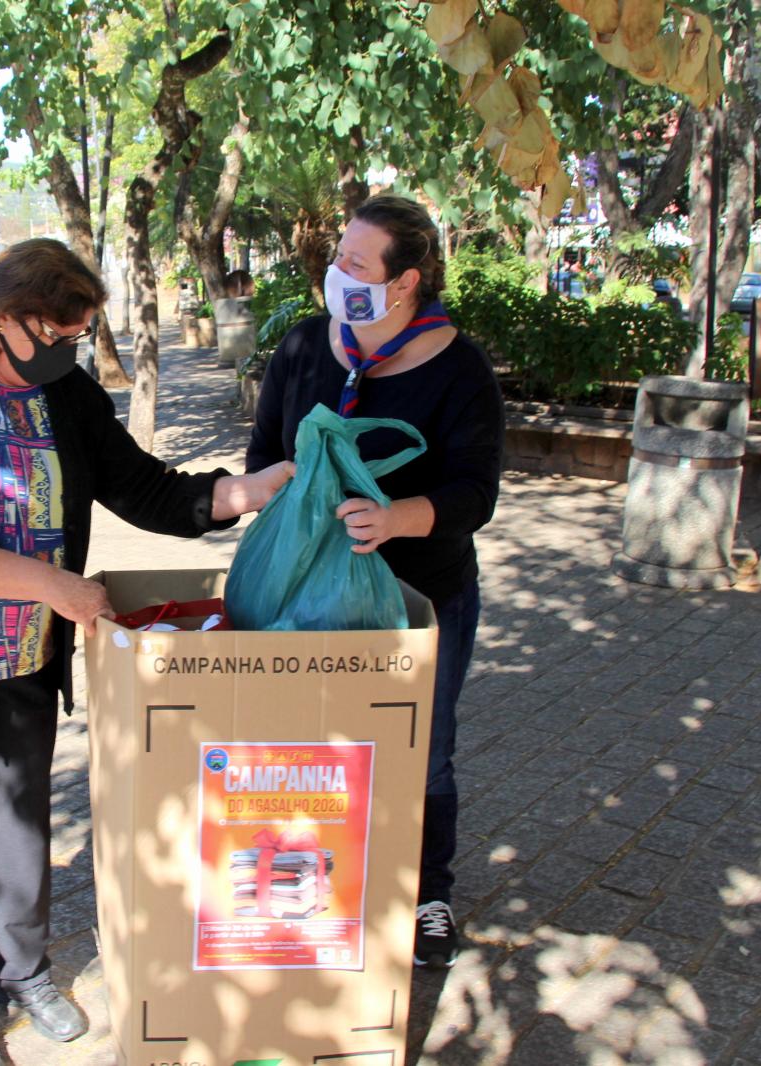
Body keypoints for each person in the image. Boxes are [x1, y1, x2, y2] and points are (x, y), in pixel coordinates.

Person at [0, 238, 293, 1066]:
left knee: (19, 819)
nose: (71, 351)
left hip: (22, 647)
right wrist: (55, 587)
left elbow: (144, 486)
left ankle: (21, 972)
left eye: (82, 336)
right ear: (9, 320)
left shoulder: (67, 394)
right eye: (59, 335)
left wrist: (240, 492)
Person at [244, 193, 503, 970]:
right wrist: (279, 490)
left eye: (356, 264)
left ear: (406, 283)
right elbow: (262, 452)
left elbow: (475, 495)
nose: (337, 274)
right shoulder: (302, 349)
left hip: (421, 597)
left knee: (424, 753)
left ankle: (428, 896)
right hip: (302, 596)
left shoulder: (460, 370)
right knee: (306, 748)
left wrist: (397, 519)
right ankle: (323, 888)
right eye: (338, 258)